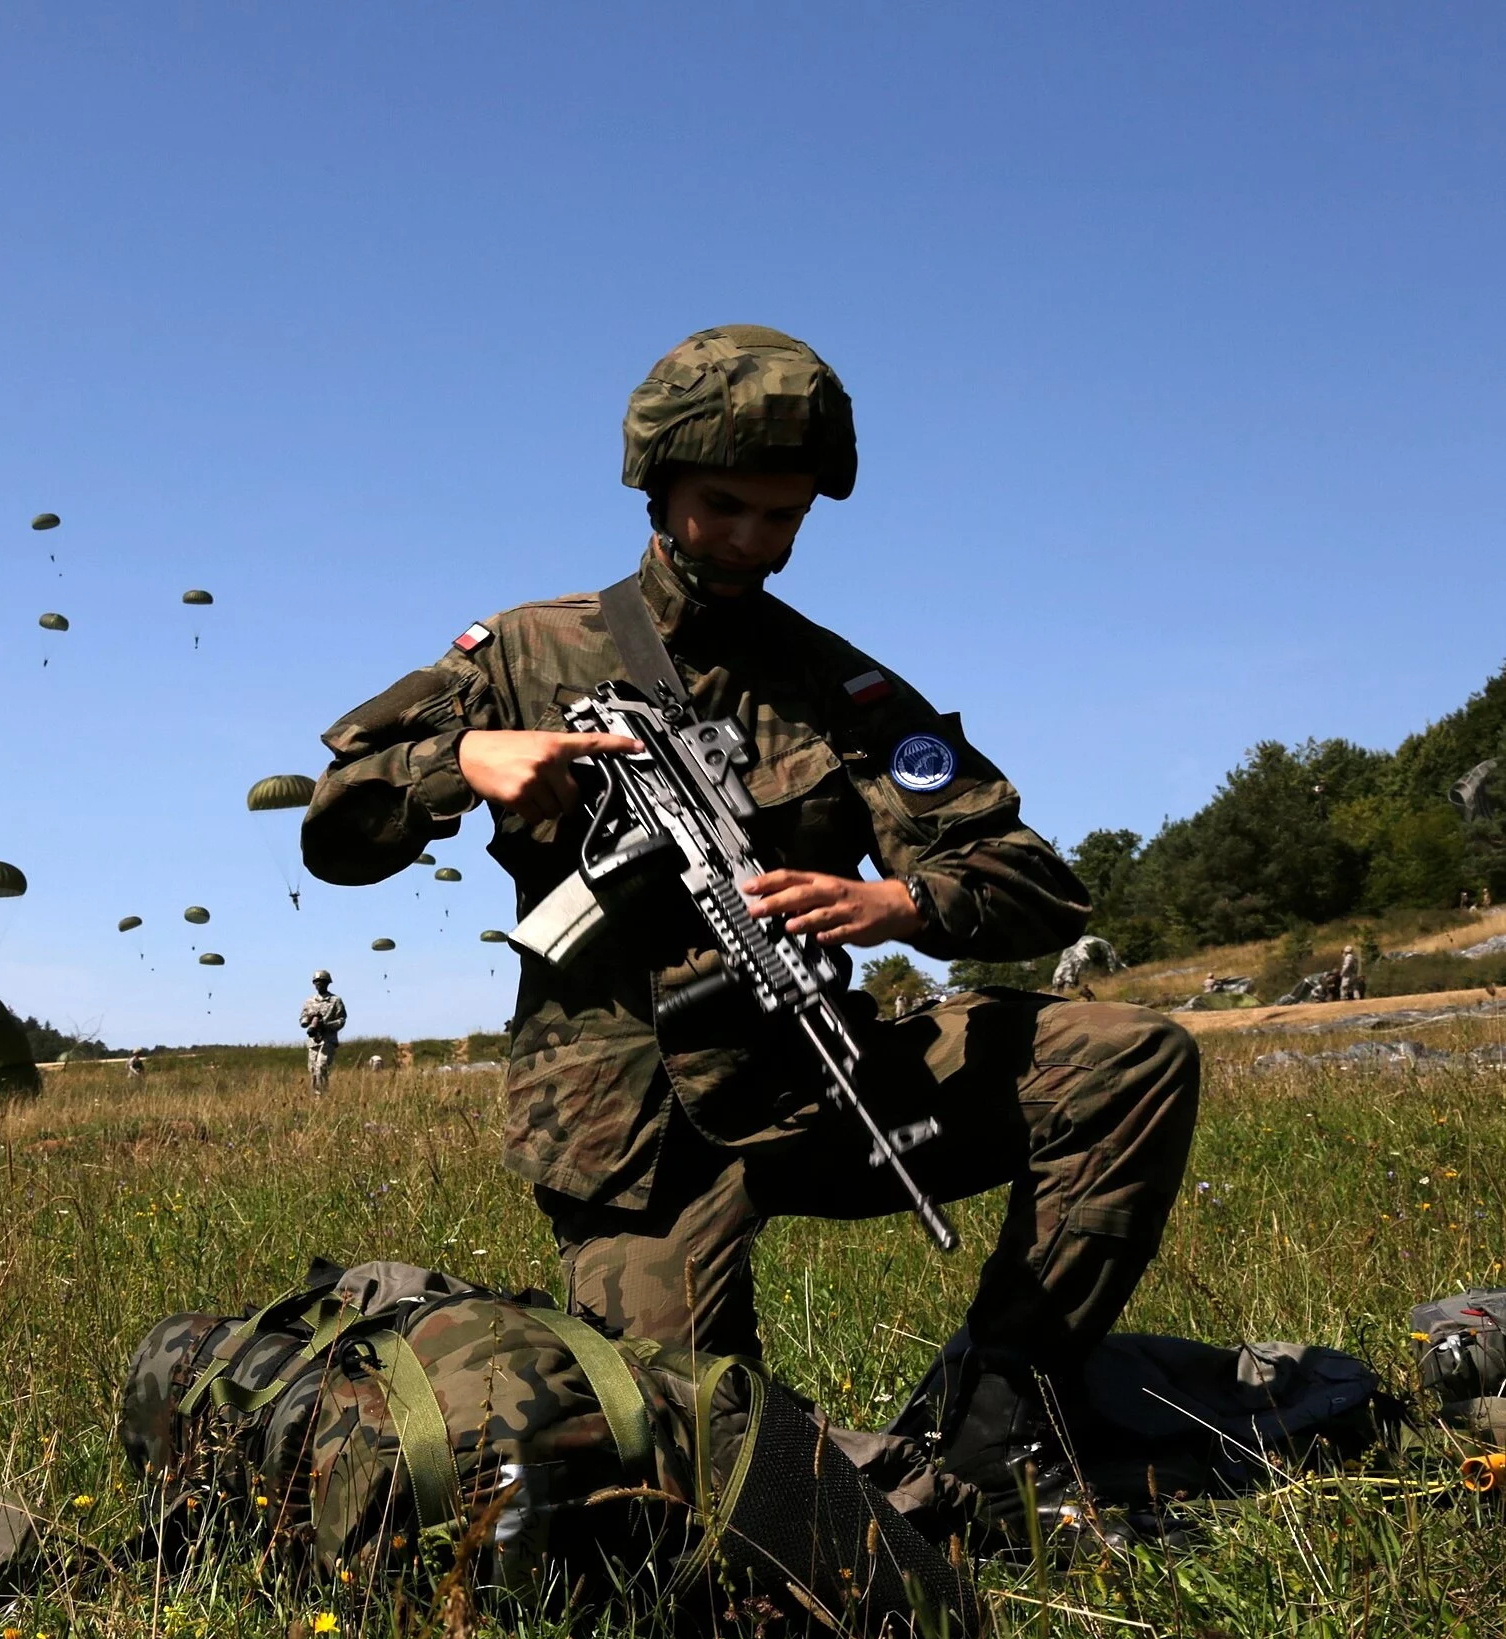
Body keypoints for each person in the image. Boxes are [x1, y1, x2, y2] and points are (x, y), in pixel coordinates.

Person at [301, 325, 1198, 1512]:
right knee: (713, 1463)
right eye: (724, 506)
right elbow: (333, 825)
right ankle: (865, 1485)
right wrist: (462, 760)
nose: (751, 543)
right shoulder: (526, 648)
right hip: (636, 1129)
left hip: (821, 1075)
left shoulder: (838, 684)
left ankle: (999, 1426)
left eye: (784, 519)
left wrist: (898, 899)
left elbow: (1028, 874)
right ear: (658, 483)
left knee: (1132, 1057)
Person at [298, 970, 346, 1093]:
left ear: (327, 983)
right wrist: (309, 1021)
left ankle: (323, 1094)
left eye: (322, 982)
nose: (319, 984)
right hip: (313, 1041)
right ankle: (316, 1098)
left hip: (328, 1040)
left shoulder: (335, 1000)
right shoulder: (309, 1002)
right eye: (317, 982)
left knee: (321, 1066)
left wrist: (326, 1025)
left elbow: (341, 1020)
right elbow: (302, 1019)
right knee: (313, 1070)